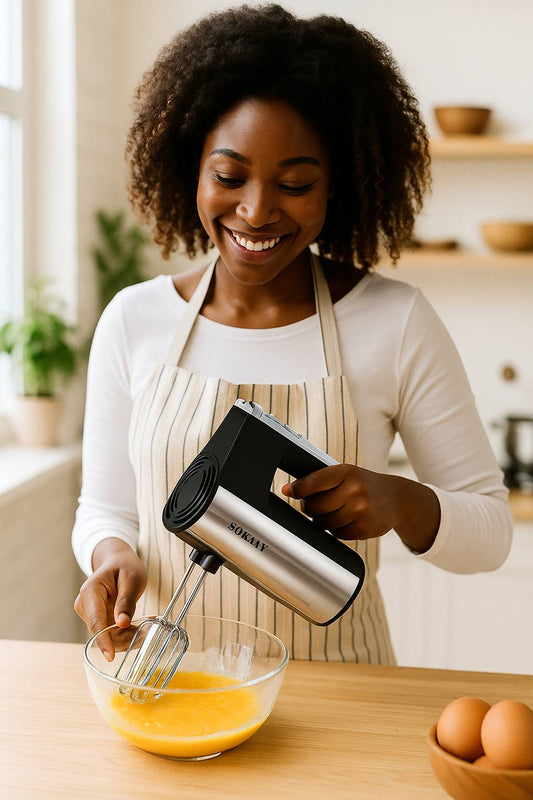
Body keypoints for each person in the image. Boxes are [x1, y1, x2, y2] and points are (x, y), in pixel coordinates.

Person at [73, 4, 512, 664]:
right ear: (189, 168)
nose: (254, 210)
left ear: (337, 186)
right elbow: (104, 508)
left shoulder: (395, 322)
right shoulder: (135, 319)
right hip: (173, 684)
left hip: (343, 701)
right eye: (228, 176)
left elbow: (492, 534)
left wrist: (403, 502)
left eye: (295, 183)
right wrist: (111, 555)